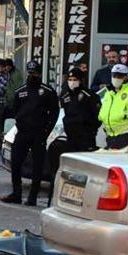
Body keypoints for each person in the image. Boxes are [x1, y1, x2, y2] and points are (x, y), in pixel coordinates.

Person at [1, 62, 59, 206]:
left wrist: (46, 131)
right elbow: (16, 110)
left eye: (34, 73)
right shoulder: (20, 91)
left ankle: (32, 197)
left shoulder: (47, 91)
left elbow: (54, 113)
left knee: (37, 166)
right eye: (29, 73)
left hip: (39, 133)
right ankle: (16, 193)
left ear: (39, 74)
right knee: (16, 162)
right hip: (23, 132)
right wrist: (20, 124)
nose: (31, 75)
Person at [47, 67, 102, 203]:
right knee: (71, 171)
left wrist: (89, 131)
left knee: (84, 171)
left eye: (75, 80)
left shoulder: (89, 96)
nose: (72, 82)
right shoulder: (65, 96)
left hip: (85, 138)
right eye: (70, 79)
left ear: (81, 80)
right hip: (70, 138)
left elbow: (96, 117)